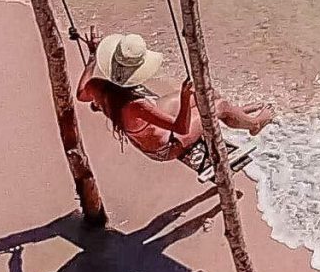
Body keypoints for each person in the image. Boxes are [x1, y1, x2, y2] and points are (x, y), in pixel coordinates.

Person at [75, 31, 273, 176]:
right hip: (165, 147)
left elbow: (81, 94)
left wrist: (92, 57)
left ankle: (236, 114)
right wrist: (186, 97)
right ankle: (253, 124)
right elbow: (181, 127)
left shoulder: (99, 87)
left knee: (209, 94)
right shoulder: (138, 105)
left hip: (148, 123)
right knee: (217, 106)